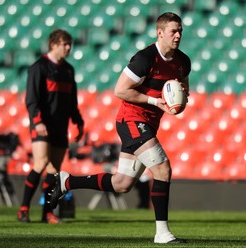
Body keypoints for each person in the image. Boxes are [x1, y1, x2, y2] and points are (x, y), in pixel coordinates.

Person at [49, 12, 191, 243]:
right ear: (160, 32)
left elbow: (183, 86)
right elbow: (120, 90)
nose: (177, 35)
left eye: (180, 31)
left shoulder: (183, 61)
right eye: (173, 31)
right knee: (162, 170)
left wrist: (180, 99)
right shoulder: (145, 58)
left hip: (148, 124)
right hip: (131, 120)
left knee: (122, 183)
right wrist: (156, 101)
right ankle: (162, 234)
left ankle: (67, 181)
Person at [17, 29, 84, 224]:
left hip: (60, 126)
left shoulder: (68, 70)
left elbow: (72, 101)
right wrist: (37, 121)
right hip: (42, 126)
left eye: (69, 44)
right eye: (65, 44)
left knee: (54, 171)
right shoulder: (39, 68)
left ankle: (47, 213)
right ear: (53, 45)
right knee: (41, 162)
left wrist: (78, 121)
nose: (68, 47)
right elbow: (31, 99)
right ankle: (23, 208)